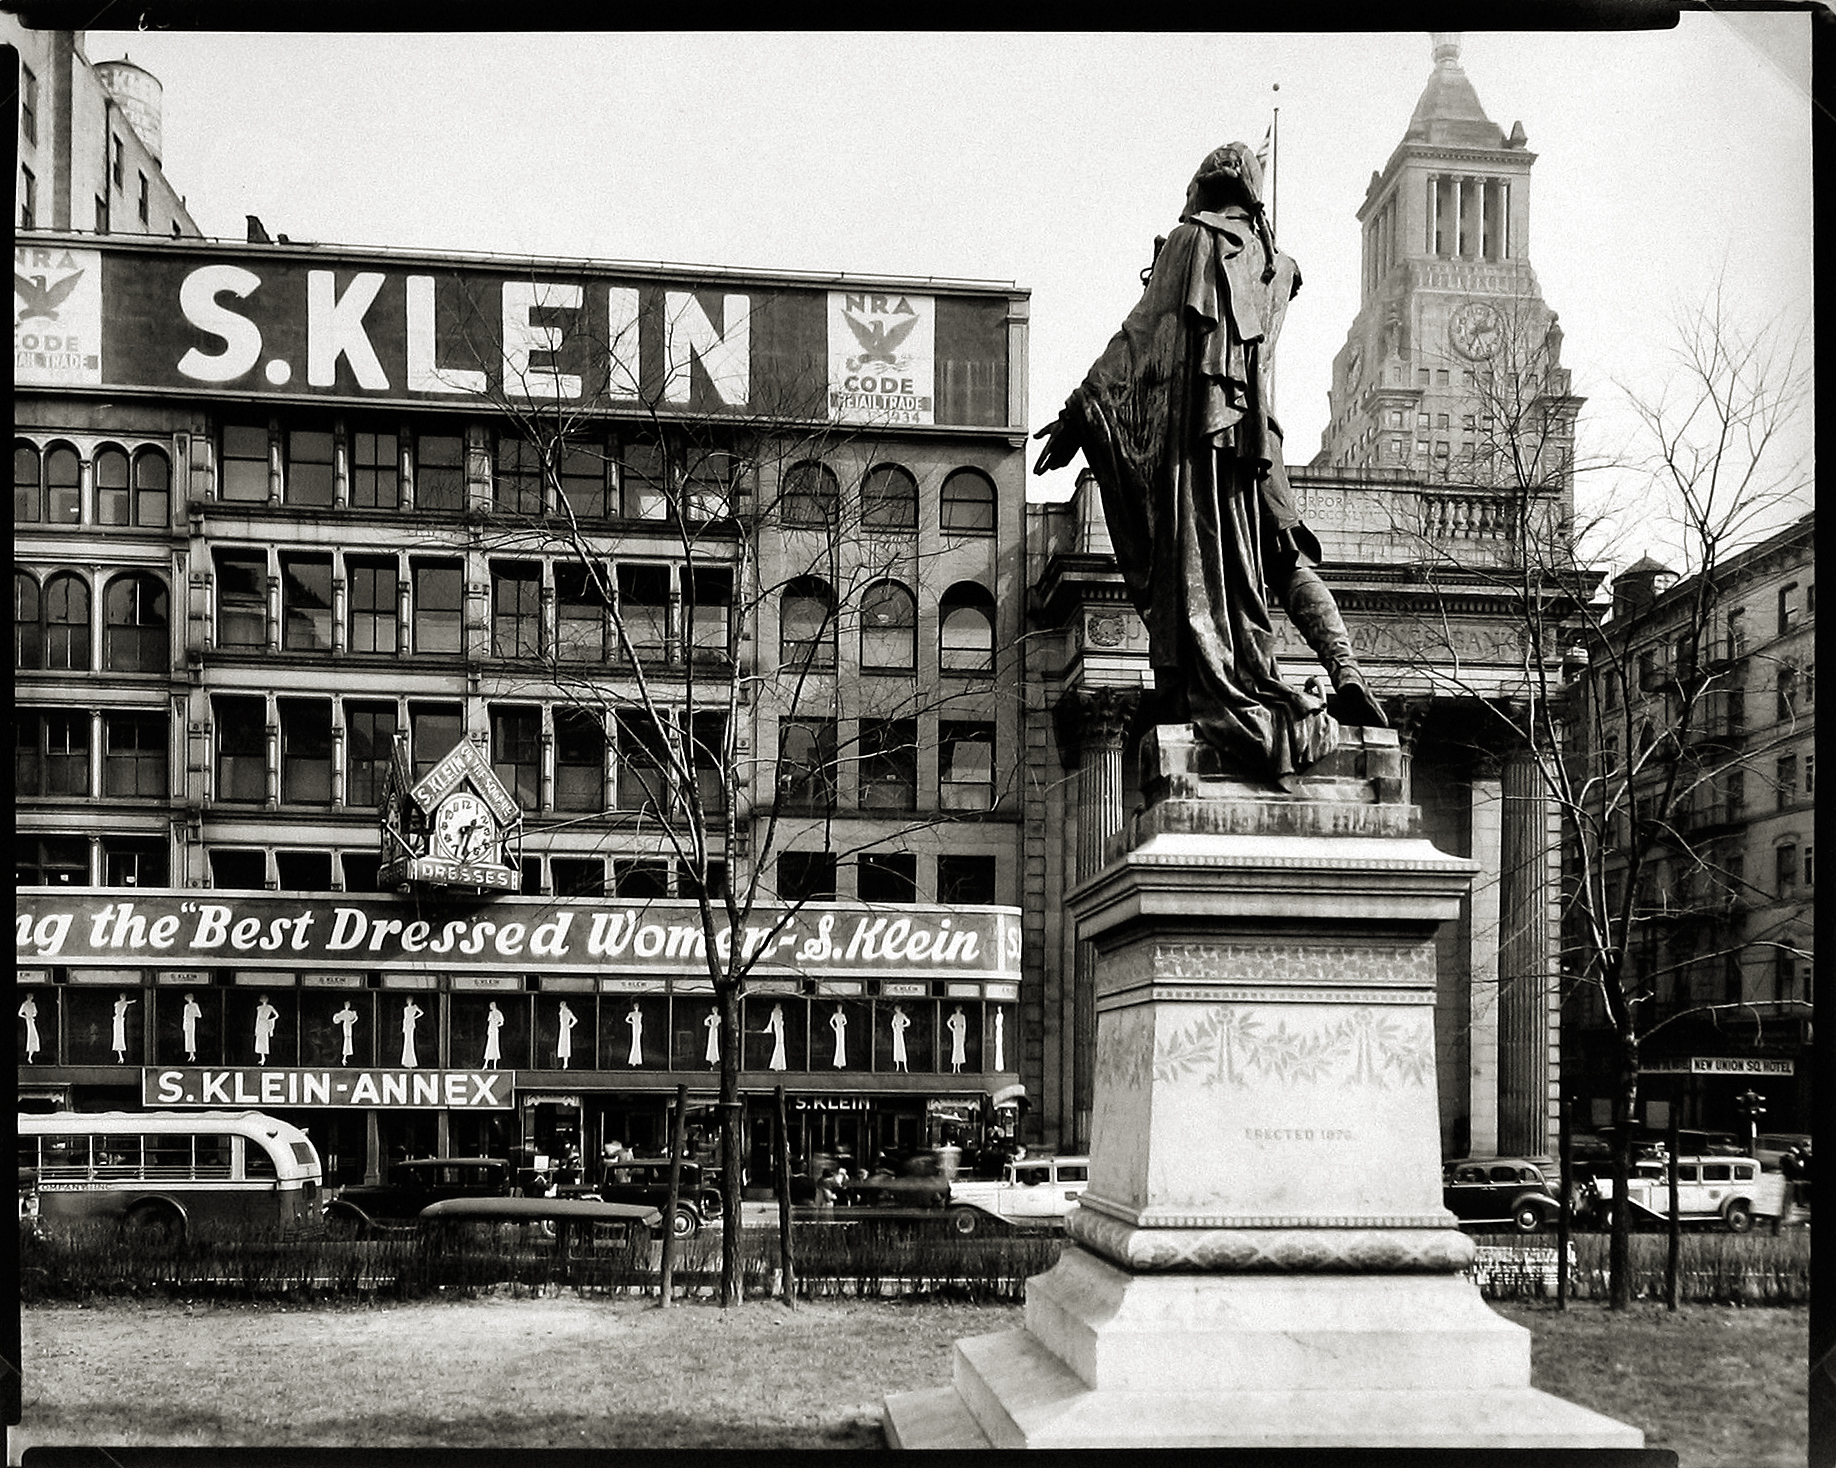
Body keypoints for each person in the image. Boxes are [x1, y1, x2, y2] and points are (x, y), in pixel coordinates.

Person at [1033, 141, 1385, 781]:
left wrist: (1079, 411)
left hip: (1203, 447)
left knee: (1195, 573)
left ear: (1202, 189)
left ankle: (1222, 690)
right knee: (1285, 559)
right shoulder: (1280, 267)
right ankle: (1347, 672)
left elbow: (1138, 338)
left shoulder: (1190, 243)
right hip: (1261, 444)